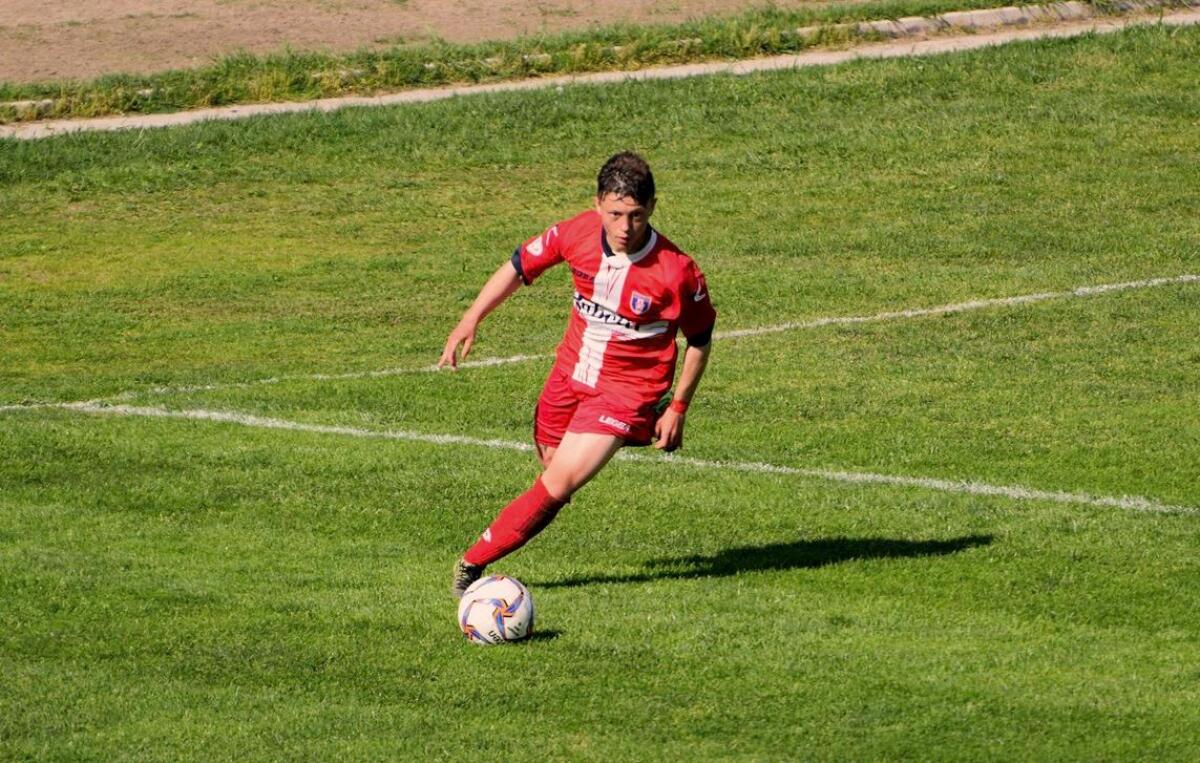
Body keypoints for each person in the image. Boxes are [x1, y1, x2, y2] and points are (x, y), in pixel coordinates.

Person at [439, 152, 716, 597]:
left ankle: (471, 565)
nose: (625, 228)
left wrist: (680, 406)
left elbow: (700, 340)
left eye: (637, 215)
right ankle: (641, 425)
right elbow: (518, 266)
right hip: (569, 374)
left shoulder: (677, 272)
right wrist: (470, 319)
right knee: (552, 464)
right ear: (597, 204)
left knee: (559, 482)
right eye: (615, 214)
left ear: (652, 207)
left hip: (627, 390)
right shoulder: (576, 233)